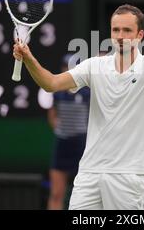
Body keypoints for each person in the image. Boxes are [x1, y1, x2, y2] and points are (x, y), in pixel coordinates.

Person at [14, 0, 144, 209]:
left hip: (128, 178)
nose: (120, 35)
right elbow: (51, 83)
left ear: (140, 35)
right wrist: (28, 58)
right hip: (89, 175)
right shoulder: (94, 66)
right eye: (116, 29)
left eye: (127, 30)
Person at [47, 54, 90, 210]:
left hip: (82, 146)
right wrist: (60, 129)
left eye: (72, 68)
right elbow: (52, 114)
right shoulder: (57, 93)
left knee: (87, 195)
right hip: (62, 145)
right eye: (65, 67)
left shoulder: (87, 93)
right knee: (56, 193)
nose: (68, 71)